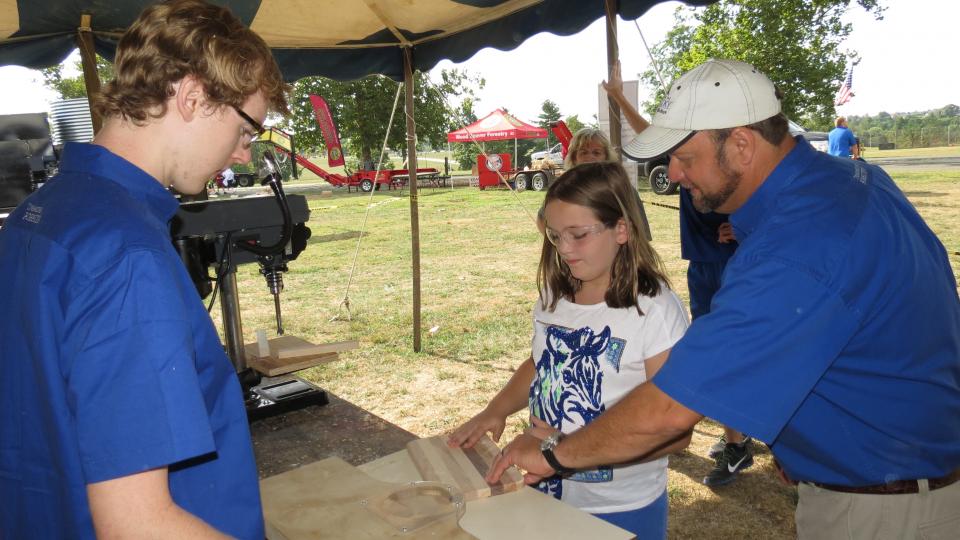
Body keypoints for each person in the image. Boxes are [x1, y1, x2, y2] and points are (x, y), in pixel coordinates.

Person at [487, 59, 960, 539]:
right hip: (895, 480)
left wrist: (553, 453)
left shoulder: (799, 244)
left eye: (685, 158)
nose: (672, 172)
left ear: (741, 144)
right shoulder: (853, 182)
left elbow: (672, 411)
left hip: (889, 509)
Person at [0, 1, 289, 538]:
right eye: (247, 130)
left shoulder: (38, 215)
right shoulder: (127, 255)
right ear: (193, 97)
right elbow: (137, 524)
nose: (244, 154)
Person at [450, 161, 689, 538]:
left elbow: (675, 434)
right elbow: (540, 363)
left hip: (621, 507)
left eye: (578, 235)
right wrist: (495, 410)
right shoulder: (554, 295)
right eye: (556, 236)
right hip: (545, 492)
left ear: (621, 229)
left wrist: (555, 451)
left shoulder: (654, 310)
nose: (564, 249)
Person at [604, 59, 752, 486]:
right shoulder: (687, 152)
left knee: (719, 355)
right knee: (713, 349)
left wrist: (743, 228)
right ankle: (738, 434)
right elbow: (651, 136)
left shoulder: (726, 155)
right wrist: (617, 96)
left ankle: (739, 445)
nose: (676, 172)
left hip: (725, 265)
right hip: (703, 264)